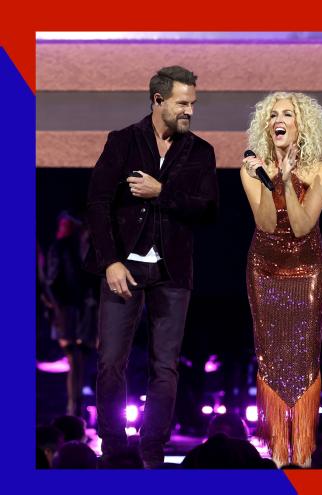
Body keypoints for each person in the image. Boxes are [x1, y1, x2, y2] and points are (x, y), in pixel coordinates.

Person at [85, 65, 218, 468]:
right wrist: (110, 261)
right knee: (110, 361)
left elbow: (208, 210)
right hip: (122, 267)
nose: (189, 111)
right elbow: (97, 203)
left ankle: (151, 450)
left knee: (165, 366)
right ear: (158, 100)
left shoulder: (200, 152)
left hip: (172, 271)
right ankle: (113, 448)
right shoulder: (123, 141)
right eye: (182, 103)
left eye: (193, 103)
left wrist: (164, 192)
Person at [241, 92, 322, 467]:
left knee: (304, 358)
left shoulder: (321, 172)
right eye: (273, 114)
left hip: (306, 269)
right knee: (272, 358)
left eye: (288, 114)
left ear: (301, 125)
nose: (279, 119)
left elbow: (300, 225)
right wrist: (270, 179)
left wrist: (287, 179)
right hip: (265, 271)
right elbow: (265, 223)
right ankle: (280, 456)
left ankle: (305, 458)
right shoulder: (252, 170)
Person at [43, 212, 98, 417]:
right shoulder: (62, 247)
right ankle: (73, 408)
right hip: (66, 310)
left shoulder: (88, 248)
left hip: (83, 309)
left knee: (80, 359)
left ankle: (76, 407)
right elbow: (52, 281)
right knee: (74, 358)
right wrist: (57, 309)